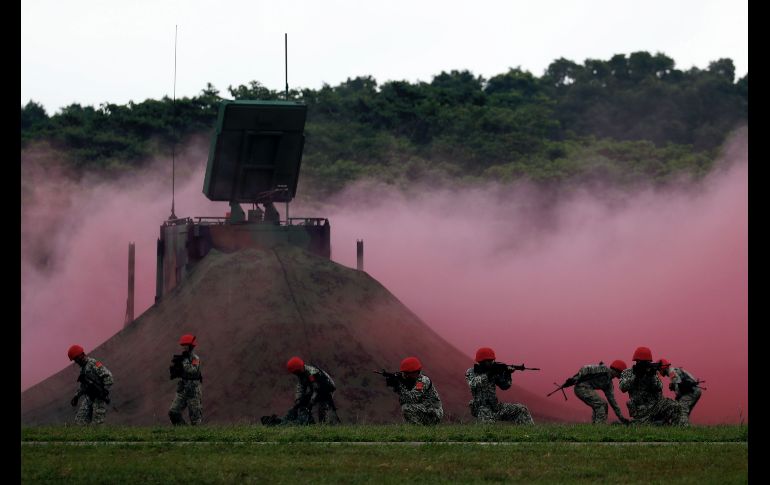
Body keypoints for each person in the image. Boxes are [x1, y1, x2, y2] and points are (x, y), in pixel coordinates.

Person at [618, 347, 688, 425]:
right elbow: (622, 388)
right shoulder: (627, 372)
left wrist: (651, 376)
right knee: (645, 426)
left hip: (656, 405)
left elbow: (659, 387)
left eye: (646, 362)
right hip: (641, 410)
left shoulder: (652, 372)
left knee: (675, 406)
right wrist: (635, 376)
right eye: (642, 362)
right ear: (636, 361)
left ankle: (677, 430)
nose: (645, 365)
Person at [466, 347, 534, 424]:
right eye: (488, 361)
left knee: (522, 409)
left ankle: (529, 435)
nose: (491, 362)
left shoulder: (494, 372)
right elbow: (472, 383)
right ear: (481, 361)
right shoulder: (471, 371)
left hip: (495, 407)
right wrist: (489, 374)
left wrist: (508, 374)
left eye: (492, 360)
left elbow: (505, 386)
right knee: (488, 429)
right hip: (481, 408)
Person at [558, 360, 630, 424]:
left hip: (586, 388)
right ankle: (599, 428)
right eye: (620, 373)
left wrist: (621, 418)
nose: (620, 376)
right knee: (600, 404)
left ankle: (595, 424)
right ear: (617, 371)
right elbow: (586, 369)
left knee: (604, 404)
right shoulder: (603, 369)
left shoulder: (609, 383)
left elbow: (613, 402)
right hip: (581, 387)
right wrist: (574, 379)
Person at [380, 356, 443, 425]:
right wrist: (397, 386)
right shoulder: (411, 380)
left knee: (406, 407)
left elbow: (412, 399)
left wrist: (399, 386)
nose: (405, 375)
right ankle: (415, 427)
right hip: (425, 409)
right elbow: (403, 400)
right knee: (406, 407)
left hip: (434, 413)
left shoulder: (423, 381)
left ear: (416, 372)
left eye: (407, 373)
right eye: (404, 373)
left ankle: (417, 430)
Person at [283, 356, 341, 425]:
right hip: (316, 390)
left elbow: (317, 390)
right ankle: (311, 422)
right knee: (302, 402)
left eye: (296, 372)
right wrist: (298, 400)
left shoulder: (312, 373)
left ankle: (324, 426)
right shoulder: (302, 374)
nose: (296, 374)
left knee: (323, 408)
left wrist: (310, 404)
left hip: (326, 389)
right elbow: (301, 387)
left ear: (299, 369)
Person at [67, 344, 113, 425]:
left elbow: (108, 376)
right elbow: (83, 386)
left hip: (99, 398)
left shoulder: (93, 363)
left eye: (76, 359)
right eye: (75, 360)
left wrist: (104, 390)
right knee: (79, 421)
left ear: (81, 355)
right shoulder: (83, 368)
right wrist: (76, 396)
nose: (76, 362)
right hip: (89, 397)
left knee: (97, 424)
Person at [168, 334, 203, 425]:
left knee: (195, 419)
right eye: (183, 345)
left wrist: (184, 361)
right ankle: (183, 432)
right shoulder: (183, 358)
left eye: (186, 345)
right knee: (173, 412)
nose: (183, 347)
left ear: (191, 346)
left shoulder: (195, 358)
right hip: (183, 389)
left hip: (193, 391)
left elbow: (193, 370)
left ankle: (195, 437)